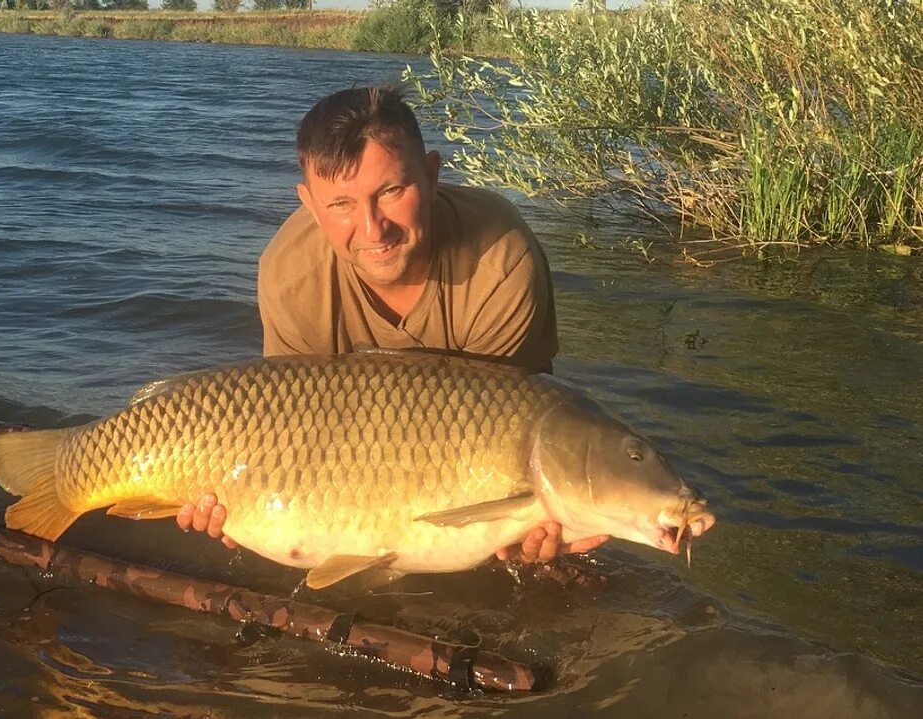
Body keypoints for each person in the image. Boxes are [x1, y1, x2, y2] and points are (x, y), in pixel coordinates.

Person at [176, 86, 608, 563]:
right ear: (309, 204)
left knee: (533, 550)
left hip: (463, 464)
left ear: (432, 174)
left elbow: (508, 425)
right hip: (345, 462)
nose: (372, 228)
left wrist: (529, 520)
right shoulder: (290, 273)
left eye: (391, 192)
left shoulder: (500, 260)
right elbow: (291, 427)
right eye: (340, 204)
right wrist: (244, 499)